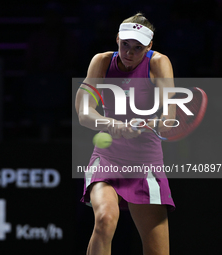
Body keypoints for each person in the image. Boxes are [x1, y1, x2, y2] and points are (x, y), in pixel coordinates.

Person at [75, 13, 176, 255]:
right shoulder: (100, 62)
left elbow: (169, 118)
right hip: (108, 158)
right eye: (125, 44)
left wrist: (150, 122)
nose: (129, 52)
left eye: (138, 47)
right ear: (118, 38)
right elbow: (84, 113)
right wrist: (112, 124)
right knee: (105, 219)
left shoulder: (159, 63)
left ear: (149, 46)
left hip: (146, 163)